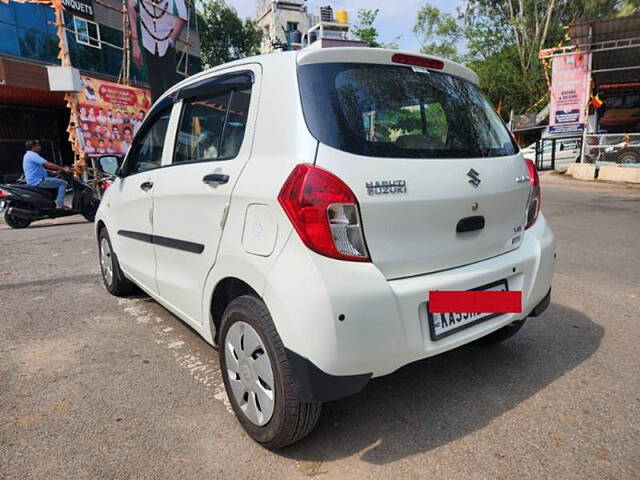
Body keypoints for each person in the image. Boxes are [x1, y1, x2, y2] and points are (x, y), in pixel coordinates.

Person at [128, 0, 187, 101]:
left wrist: (171, 39)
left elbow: (183, 15)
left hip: (167, 40)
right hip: (148, 40)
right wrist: (135, 43)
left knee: (171, 84)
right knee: (155, 86)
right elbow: (130, 5)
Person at [22, 140, 70, 209]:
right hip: (38, 180)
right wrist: (63, 169)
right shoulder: (32, 155)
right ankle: (59, 204)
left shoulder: (28, 155)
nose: (39, 147)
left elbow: (38, 168)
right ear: (33, 147)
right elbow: (47, 164)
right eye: (38, 145)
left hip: (34, 179)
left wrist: (52, 172)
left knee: (57, 179)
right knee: (63, 183)